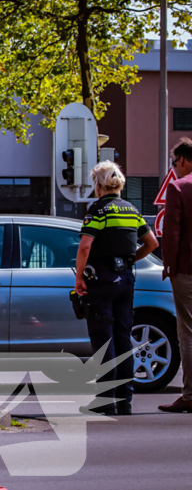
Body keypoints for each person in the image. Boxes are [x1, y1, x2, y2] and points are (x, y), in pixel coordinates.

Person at [75, 161, 158, 416]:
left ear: (99, 185)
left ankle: (104, 400)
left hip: (102, 281)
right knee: (123, 339)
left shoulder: (98, 210)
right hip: (126, 281)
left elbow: (85, 246)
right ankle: (125, 401)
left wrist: (80, 276)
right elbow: (152, 242)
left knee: (104, 340)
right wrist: (131, 259)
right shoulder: (131, 210)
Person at [159, 137, 192, 413]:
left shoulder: (178, 187)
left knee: (188, 332)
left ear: (181, 160)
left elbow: (172, 232)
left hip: (186, 268)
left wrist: (168, 265)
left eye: (174, 163)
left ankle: (190, 394)